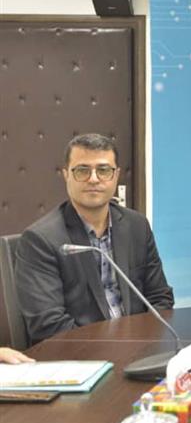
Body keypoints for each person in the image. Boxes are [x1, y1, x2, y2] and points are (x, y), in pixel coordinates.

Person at [15, 134, 174, 344]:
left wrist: (143, 343)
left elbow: (160, 298)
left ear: (116, 176)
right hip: (80, 355)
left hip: (139, 347)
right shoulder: (41, 240)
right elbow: (48, 325)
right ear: (66, 175)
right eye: (82, 170)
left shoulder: (137, 226)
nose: (93, 179)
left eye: (103, 170)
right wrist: (114, 347)